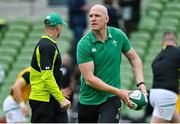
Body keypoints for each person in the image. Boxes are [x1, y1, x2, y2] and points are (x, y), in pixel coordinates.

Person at [76, 4, 147, 123]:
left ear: (107, 19)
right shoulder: (84, 44)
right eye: (91, 16)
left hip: (111, 98)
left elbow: (134, 58)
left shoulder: (118, 35)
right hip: (88, 100)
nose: (93, 18)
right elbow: (89, 79)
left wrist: (141, 84)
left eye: (97, 16)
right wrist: (120, 92)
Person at [29, 12, 71, 123]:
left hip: (51, 99)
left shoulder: (48, 44)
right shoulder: (47, 46)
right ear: (59, 27)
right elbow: (47, 75)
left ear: (44, 27)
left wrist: (59, 94)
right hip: (43, 100)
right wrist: (61, 98)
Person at [149, 31, 180, 123]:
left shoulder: (158, 57)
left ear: (162, 43)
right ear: (176, 42)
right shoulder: (177, 53)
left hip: (155, 95)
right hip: (166, 97)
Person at [67, 0, 88, 66]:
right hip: (77, 23)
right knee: (77, 43)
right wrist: (82, 8)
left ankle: (77, 61)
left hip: (80, 23)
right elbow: (71, 8)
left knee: (79, 42)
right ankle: (75, 62)